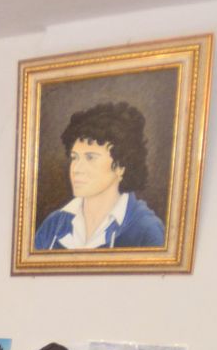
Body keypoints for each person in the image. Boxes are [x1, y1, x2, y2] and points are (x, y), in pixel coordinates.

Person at [33, 101, 166, 251]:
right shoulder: (54, 225)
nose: (76, 169)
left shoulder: (147, 231)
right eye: (74, 157)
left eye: (90, 157)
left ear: (121, 166)